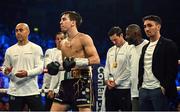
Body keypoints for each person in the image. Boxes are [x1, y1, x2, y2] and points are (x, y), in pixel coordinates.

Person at [50, 11, 100, 111]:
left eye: (64, 19)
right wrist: (57, 67)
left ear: (73, 22)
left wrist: (76, 62)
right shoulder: (63, 43)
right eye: (60, 20)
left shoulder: (84, 38)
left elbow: (96, 59)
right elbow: (67, 65)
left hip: (83, 80)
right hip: (67, 82)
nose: (60, 22)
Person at [138, 15, 179, 111]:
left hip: (158, 90)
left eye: (150, 25)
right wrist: (140, 86)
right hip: (144, 89)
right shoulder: (145, 47)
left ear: (158, 27)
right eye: (144, 26)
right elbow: (142, 68)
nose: (147, 29)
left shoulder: (169, 45)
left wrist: (164, 87)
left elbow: (172, 70)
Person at [1, 23, 44, 111]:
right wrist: (6, 72)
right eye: (16, 31)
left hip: (32, 90)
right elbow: (5, 68)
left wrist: (27, 73)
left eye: (21, 30)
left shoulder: (36, 48)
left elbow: (40, 68)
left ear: (28, 32)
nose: (18, 33)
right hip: (15, 91)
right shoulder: (9, 50)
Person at [103, 26, 138, 111]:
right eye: (112, 40)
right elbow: (107, 67)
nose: (114, 42)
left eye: (115, 40)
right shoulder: (110, 50)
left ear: (121, 35)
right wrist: (107, 80)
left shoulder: (130, 48)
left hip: (124, 88)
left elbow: (129, 69)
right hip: (110, 89)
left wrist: (117, 82)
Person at [125, 24, 149, 111]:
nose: (125, 37)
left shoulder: (148, 46)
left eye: (128, 34)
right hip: (134, 92)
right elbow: (129, 69)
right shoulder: (129, 49)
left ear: (136, 34)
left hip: (148, 89)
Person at [42, 32, 65, 111]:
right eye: (57, 39)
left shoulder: (66, 54)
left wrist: (55, 89)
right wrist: (50, 89)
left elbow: (60, 74)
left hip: (59, 88)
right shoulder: (49, 51)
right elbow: (50, 68)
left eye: (61, 39)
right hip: (48, 87)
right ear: (55, 40)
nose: (59, 40)